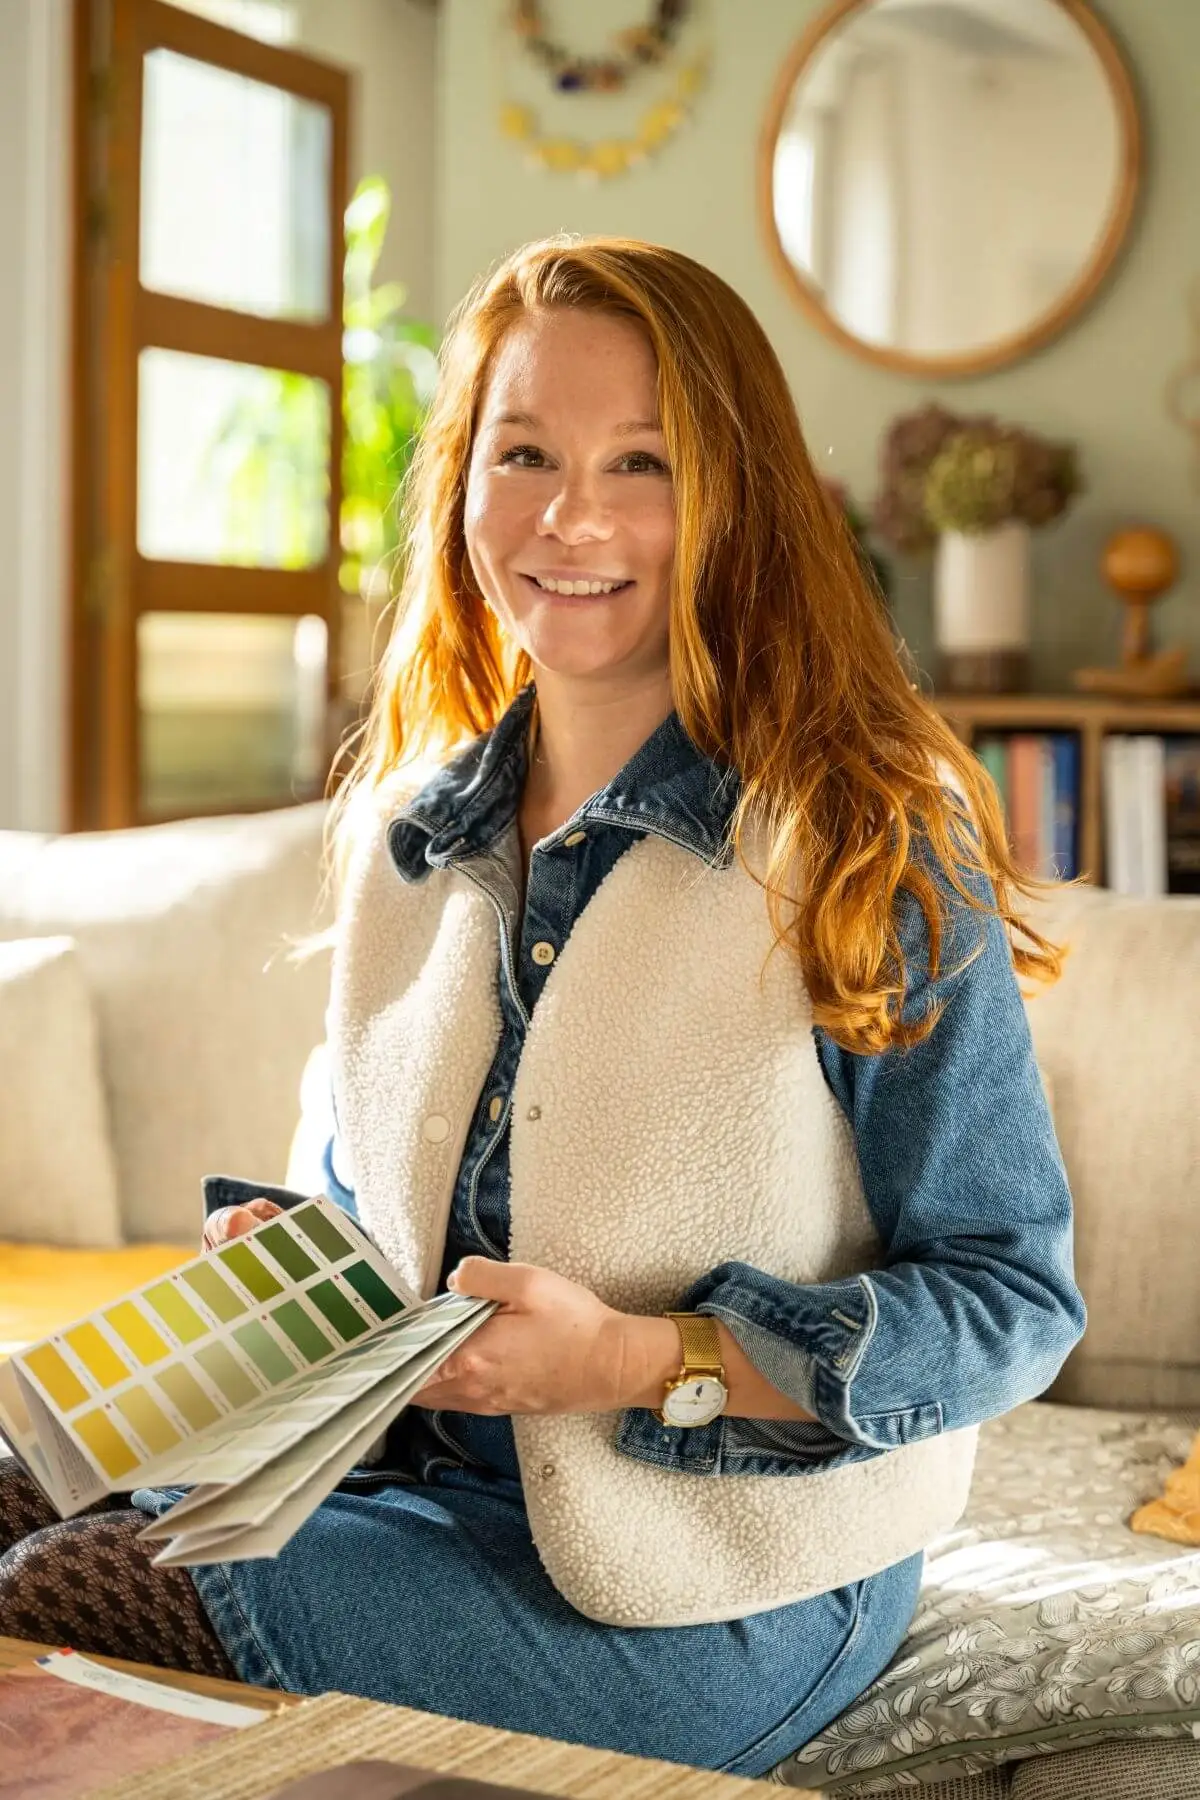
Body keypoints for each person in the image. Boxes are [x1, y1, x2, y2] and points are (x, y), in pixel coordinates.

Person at [0, 236, 1086, 1776]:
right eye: (525, 454)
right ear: (463, 484)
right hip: (390, 1489)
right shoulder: (412, 834)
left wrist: (632, 1362)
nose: (571, 518)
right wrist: (307, 1263)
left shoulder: (868, 841)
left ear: (735, 499)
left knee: (72, 1592)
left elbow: (1010, 1300)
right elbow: (375, 1197)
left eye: (641, 462)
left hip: (733, 1576)